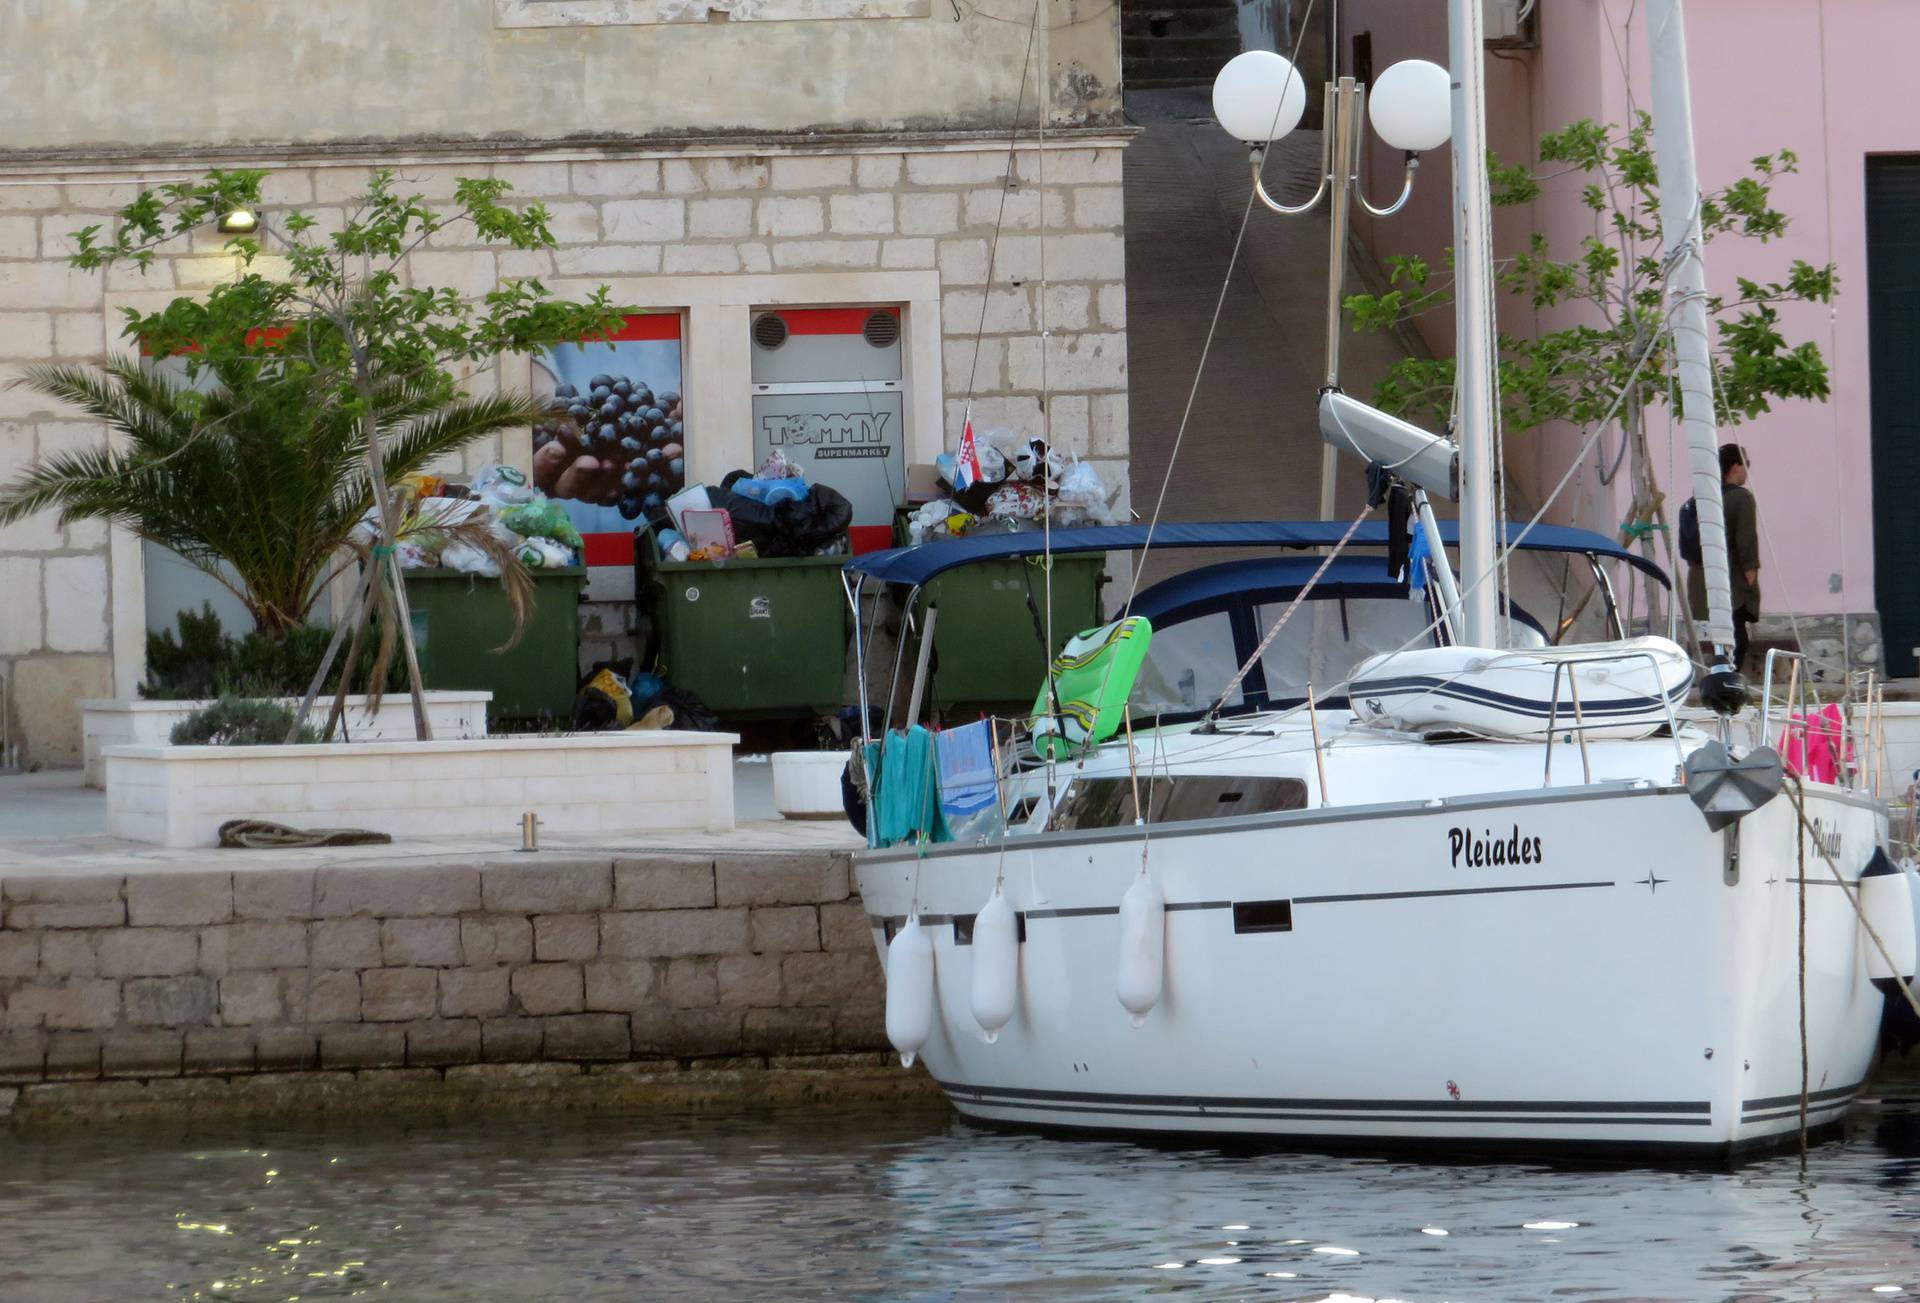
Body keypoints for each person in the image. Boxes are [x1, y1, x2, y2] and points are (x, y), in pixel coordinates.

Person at [1686, 443, 1760, 672]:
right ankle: (1729, 687)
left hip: (1700, 582)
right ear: (1736, 466)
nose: (1747, 470)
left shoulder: (1701, 498)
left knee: (1720, 641)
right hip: (1731, 583)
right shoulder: (1741, 498)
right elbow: (1747, 544)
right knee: (1738, 641)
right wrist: (1750, 582)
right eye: (1746, 464)